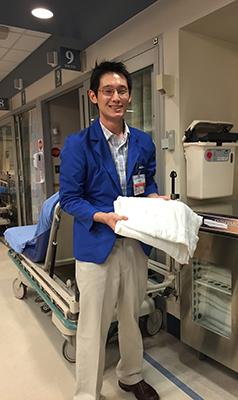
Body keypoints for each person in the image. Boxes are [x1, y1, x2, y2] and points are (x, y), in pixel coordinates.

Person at [59, 60, 168, 400]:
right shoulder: (78, 144)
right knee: (93, 325)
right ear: (94, 96)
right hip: (97, 245)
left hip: (134, 244)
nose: (116, 97)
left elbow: (145, 182)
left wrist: (154, 198)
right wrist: (101, 216)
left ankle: (130, 374)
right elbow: (69, 199)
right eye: (108, 91)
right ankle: (86, 394)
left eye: (122, 90)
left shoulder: (143, 143)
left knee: (132, 315)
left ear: (129, 96)